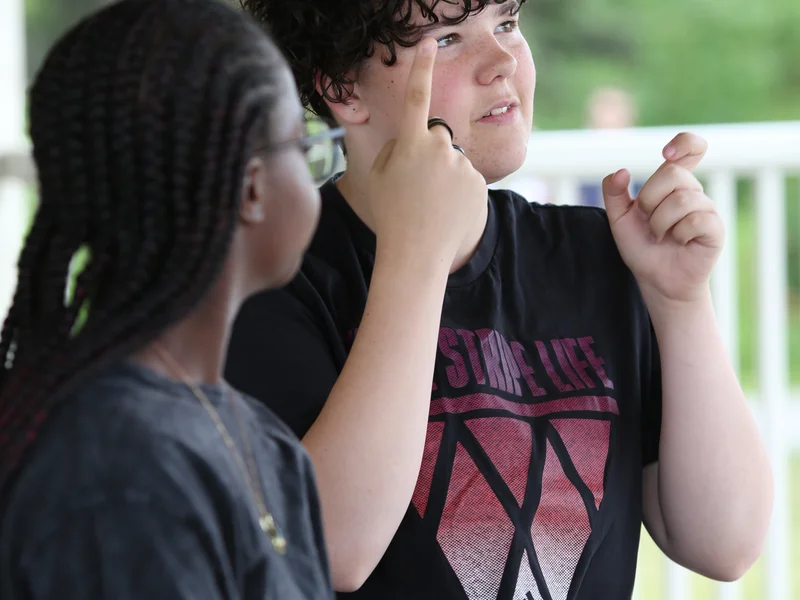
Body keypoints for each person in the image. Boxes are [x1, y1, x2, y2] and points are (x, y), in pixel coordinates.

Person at [227, 1, 774, 598]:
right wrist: (416, 254)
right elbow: (331, 549)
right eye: (451, 37)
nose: (502, 61)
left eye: (508, 24)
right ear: (341, 86)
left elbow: (726, 544)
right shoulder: (272, 277)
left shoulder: (597, 252)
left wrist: (681, 301)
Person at [0, 0, 342, 597]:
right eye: (304, 145)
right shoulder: (117, 472)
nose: (316, 170)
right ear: (252, 188)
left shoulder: (253, 432)